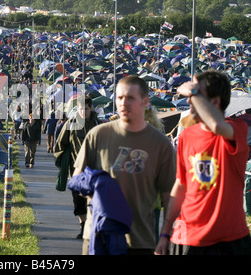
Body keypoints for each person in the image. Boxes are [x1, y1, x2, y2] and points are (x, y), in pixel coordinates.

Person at [155, 70, 251, 255]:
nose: (188, 101)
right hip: (190, 239)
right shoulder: (186, 135)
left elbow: (217, 126)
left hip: (230, 240)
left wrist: (193, 92)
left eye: (195, 94)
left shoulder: (238, 129)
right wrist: (165, 233)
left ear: (215, 102)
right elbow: (180, 186)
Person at [73, 75, 176, 254]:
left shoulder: (161, 144)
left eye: (130, 98)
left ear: (145, 101)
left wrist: (166, 236)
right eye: (120, 98)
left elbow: (169, 195)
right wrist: (97, 188)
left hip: (140, 240)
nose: (123, 103)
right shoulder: (98, 135)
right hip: (99, 235)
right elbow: (77, 177)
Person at [54, 95, 101, 239]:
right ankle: (83, 226)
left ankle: (93, 227)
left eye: (85, 109)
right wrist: (62, 162)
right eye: (80, 109)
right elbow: (60, 144)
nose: (82, 112)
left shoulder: (98, 124)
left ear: (90, 108)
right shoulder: (71, 123)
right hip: (77, 170)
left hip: (94, 170)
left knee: (94, 200)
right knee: (78, 201)